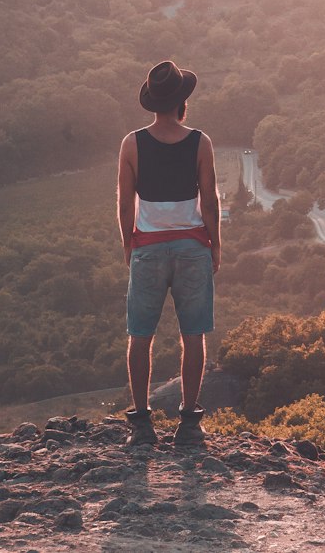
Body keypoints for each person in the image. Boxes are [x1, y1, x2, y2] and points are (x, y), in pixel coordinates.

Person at [117, 60, 221, 447]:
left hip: (148, 247)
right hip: (193, 247)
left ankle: (142, 426)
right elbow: (208, 201)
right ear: (182, 103)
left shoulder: (132, 143)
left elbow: (126, 204)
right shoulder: (200, 141)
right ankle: (189, 426)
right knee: (193, 335)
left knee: (140, 334)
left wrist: (129, 243)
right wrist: (216, 245)